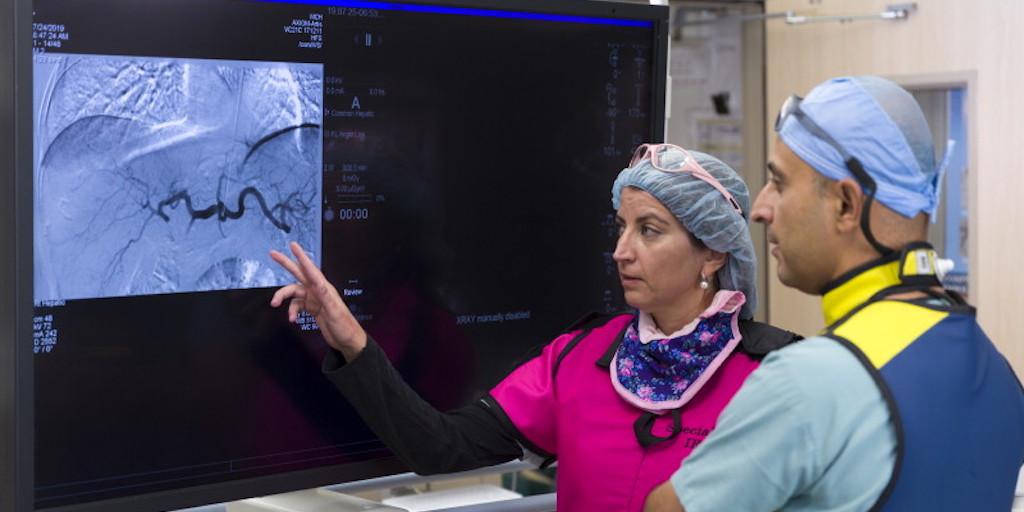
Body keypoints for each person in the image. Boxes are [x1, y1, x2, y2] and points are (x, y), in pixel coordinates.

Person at [270, 144, 800, 512]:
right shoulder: (582, 357)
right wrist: (350, 339)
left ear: (710, 253)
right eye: (621, 228)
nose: (621, 251)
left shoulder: (777, 376)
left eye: (650, 231)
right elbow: (440, 446)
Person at [645, 76, 1024, 512]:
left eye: (780, 183)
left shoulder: (811, 379)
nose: (761, 208)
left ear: (846, 205)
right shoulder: (998, 374)